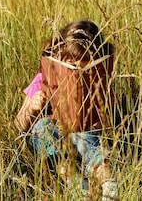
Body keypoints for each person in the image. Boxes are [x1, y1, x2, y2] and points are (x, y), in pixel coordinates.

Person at [15, 20, 118, 201]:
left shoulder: (100, 78)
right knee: (43, 126)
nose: (78, 74)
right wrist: (32, 107)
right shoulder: (42, 80)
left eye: (85, 68)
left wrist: (104, 118)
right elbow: (18, 125)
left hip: (86, 135)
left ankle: (109, 186)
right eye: (71, 67)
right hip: (55, 141)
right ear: (58, 56)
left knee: (89, 140)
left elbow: (115, 117)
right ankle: (77, 186)